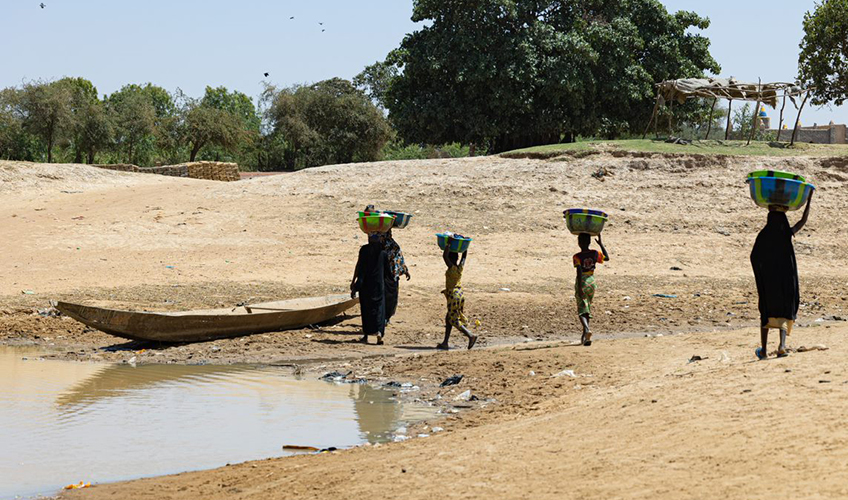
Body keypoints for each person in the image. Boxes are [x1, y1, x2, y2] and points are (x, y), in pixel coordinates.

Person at [750, 194, 813, 359]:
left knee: (765, 309)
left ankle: (763, 350)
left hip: (769, 283)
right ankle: (782, 346)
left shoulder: (763, 235)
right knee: (784, 308)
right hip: (785, 282)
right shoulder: (786, 234)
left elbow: (754, 256)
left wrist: (763, 273)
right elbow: (803, 221)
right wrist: (808, 200)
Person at [350, 233, 391, 345]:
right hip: (378, 286)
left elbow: (360, 268)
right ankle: (379, 333)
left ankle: (366, 335)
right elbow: (388, 273)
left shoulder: (364, 250)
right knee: (379, 309)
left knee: (366, 310)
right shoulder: (383, 254)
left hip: (365, 286)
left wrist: (355, 284)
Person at [438, 240, 478, 350]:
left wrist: (448, 244)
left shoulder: (452, 268)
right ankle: (445, 342)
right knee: (449, 318)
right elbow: (464, 258)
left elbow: (444, 256)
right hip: (460, 294)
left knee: (453, 320)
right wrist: (464, 247)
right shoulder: (460, 268)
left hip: (453, 296)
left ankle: (470, 335)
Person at [574, 233, 610, 346]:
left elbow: (579, 273)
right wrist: (601, 244)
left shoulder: (577, 256)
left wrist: (579, 287)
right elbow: (607, 258)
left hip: (583, 282)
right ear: (589, 242)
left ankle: (587, 329)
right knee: (587, 307)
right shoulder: (595, 253)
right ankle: (585, 337)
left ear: (579, 242)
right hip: (592, 281)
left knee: (581, 310)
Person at [382, 228, 411, 324]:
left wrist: (405, 269)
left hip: (393, 274)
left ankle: (387, 317)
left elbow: (398, 256)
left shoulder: (391, 242)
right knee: (387, 296)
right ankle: (384, 317)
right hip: (386, 275)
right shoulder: (383, 244)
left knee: (392, 297)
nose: (390, 232)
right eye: (388, 231)